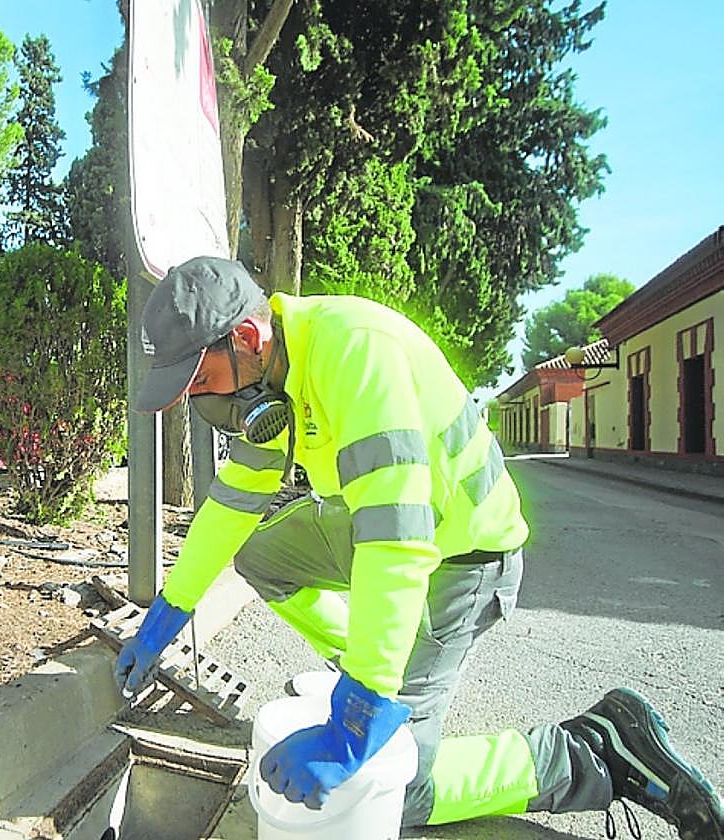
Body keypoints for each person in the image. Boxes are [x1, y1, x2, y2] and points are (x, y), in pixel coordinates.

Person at [113, 255, 723, 838]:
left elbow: (397, 541)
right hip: (388, 533)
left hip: (463, 557)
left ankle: (591, 753)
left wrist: (359, 715)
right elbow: (232, 506)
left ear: (246, 336)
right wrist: (170, 611)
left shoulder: (353, 351)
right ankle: (375, 662)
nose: (199, 400)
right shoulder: (270, 381)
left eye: (200, 379)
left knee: (391, 788)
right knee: (260, 552)